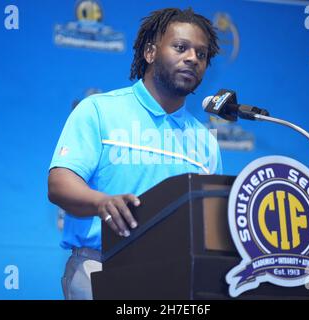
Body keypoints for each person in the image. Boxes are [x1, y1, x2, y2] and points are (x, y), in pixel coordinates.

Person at [48, 7, 222, 300]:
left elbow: (209, 223)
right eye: (181, 47)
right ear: (150, 52)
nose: (192, 58)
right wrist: (102, 202)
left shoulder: (206, 142)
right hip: (101, 267)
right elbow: (59, 183)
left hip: (177, 280)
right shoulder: (99, 110)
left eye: (201, 54)